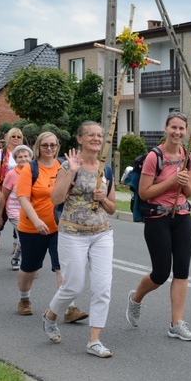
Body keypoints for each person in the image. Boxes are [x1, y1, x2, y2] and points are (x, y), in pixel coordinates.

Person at [42, 122, 116, 357]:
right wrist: (72, 171)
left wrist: (103, 198)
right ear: (80, 139)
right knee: (73, 285)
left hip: (102, 233)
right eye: (91, 135)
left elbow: (113, 208)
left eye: (100, 135)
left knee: (103, 287)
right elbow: (55, 199)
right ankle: (51, 315)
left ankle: (94, 340)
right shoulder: (67, 165)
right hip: (73, 234)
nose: (96, 139)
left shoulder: (107, 169)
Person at [125, 111, 191, 341]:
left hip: (182, 216)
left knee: (182, 271)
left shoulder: (188, 156)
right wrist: (172, 181)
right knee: (160, 273)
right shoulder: (153, 157)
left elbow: (190, 192)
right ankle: (136, 298)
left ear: (186, 132)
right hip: (157, 218)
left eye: (181, 128)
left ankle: (176, 324)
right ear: (165, 129)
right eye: (173, 127)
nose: (177, 132)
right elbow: (145, 193)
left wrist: (184, 183)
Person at [15, 132, 88, 322]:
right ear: (38, 147)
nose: (49, 149)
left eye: (53, 145)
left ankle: (68, 308)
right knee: (29, 268)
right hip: (32, 227)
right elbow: (23, 197)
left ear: (58, 146)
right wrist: (37, 221)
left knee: (62, 268)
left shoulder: (63, 166)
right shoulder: (30, 169)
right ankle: (24, 299)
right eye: (45, 145)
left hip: (60, 228)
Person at [0, 145, 32, 270]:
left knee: (28, 238)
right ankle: (28, 265)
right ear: (16, 160)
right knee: (25, 238)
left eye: (26, 156)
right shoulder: (11, 174)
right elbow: (3, 196)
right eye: (20, 157)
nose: (23, 159)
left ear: (31, 158)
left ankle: (16, 257)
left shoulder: (34, 172)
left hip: (30, 211)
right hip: (14, 211)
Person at [0, 128, 24, 250]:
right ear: (8, 138)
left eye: (18, 137)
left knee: (20, 216)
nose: (16, 139)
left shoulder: (24, 153)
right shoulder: (2, 152)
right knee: (3, 216)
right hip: (4, 188)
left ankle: (17, 241)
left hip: (20, 190)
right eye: (13, 136)